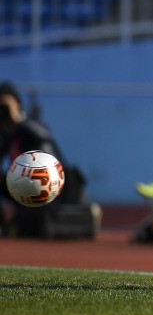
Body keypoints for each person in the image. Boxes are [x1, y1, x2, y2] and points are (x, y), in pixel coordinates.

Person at [0, 81, 90, 237]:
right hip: (20, 183)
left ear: (18, 104)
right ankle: (4, 227)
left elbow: (43, 134)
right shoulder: (7, 132)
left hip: (42, 182)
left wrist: (18, 118)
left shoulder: (29, 124)